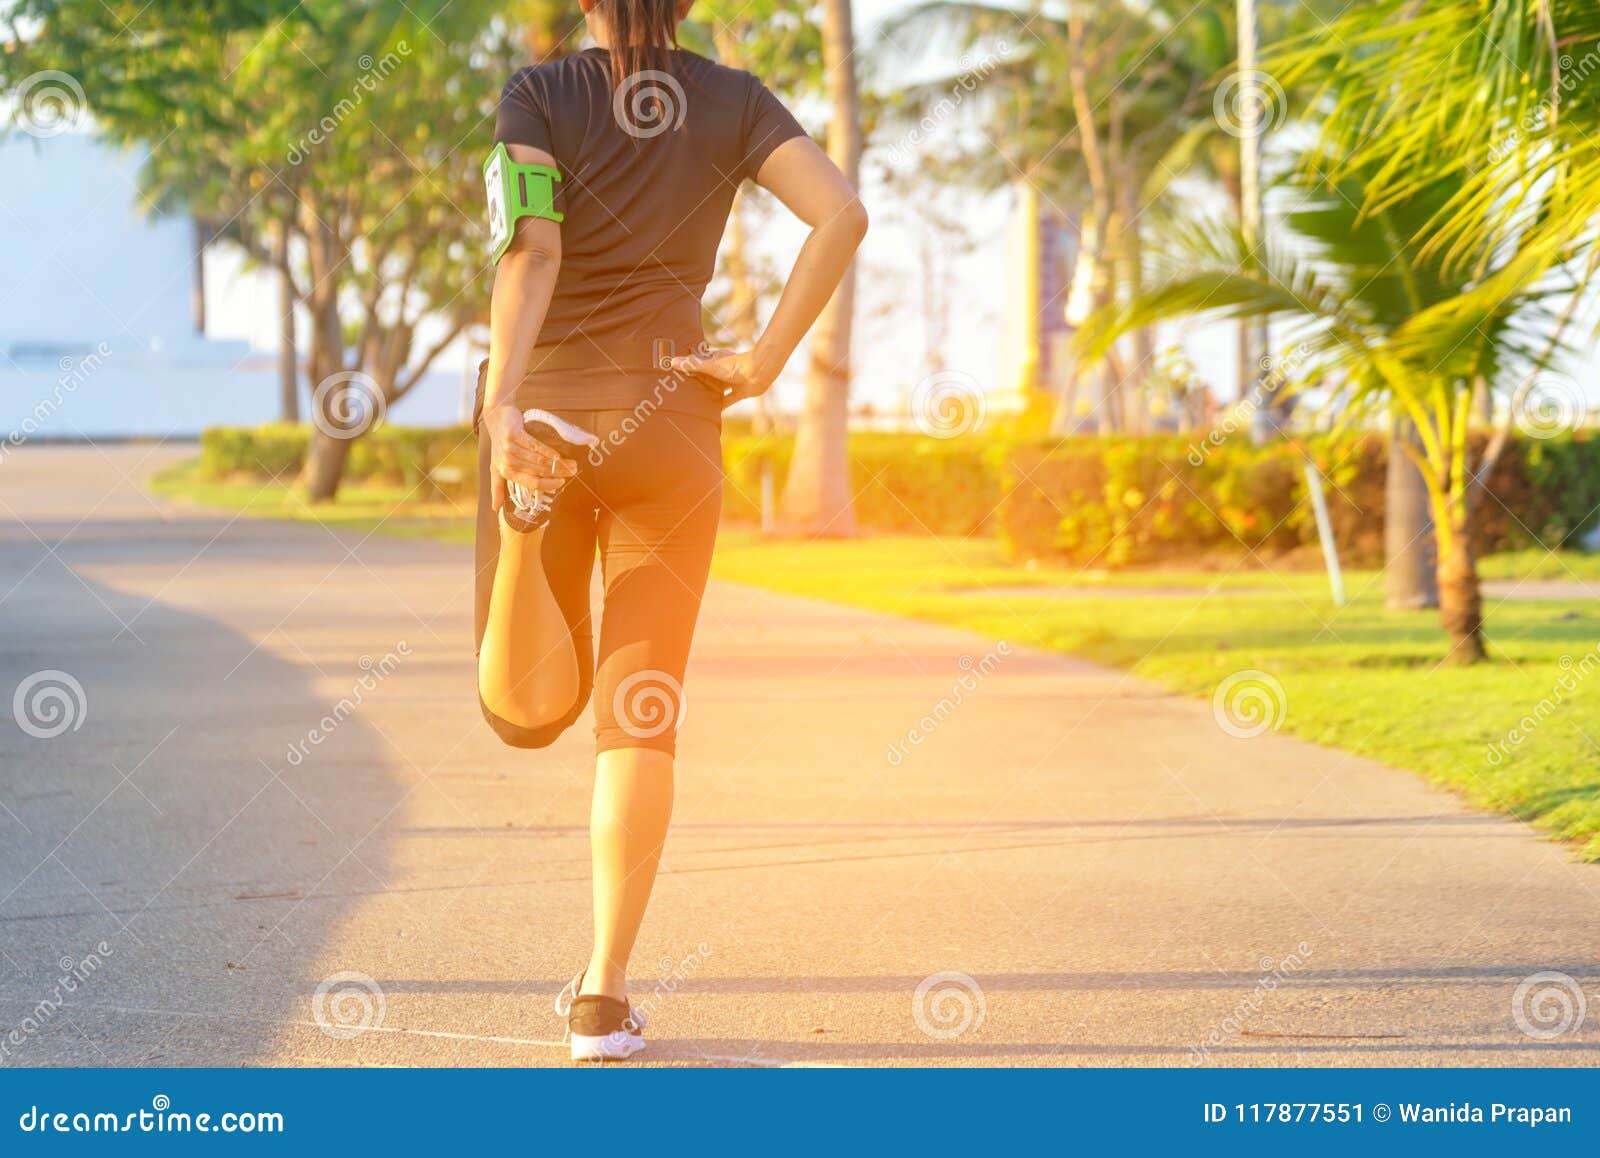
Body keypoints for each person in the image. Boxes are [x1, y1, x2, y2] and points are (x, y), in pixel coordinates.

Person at [473, 0, 867, 1062]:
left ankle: (525, 522)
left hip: (551, 405)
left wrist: (502, 406)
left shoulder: (537, 94)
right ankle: (602, 995)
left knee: (521, 708)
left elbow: (531, 254)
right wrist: (762, 361)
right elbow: (840, 215)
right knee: (638, 713)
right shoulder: (737, 99)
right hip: (674, 422)